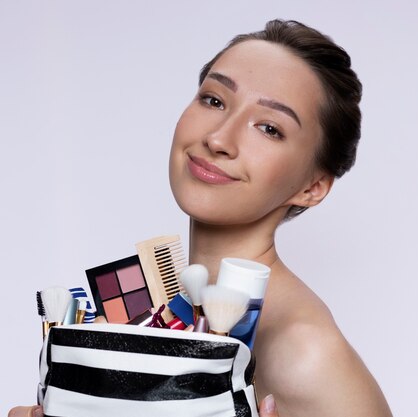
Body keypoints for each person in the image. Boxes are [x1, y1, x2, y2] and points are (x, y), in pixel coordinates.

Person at [9, 19, 392, 417]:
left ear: (312, 187)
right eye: (214, 100)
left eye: (269, 128)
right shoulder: (165, 311)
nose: (219, 139)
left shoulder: (304, 351)